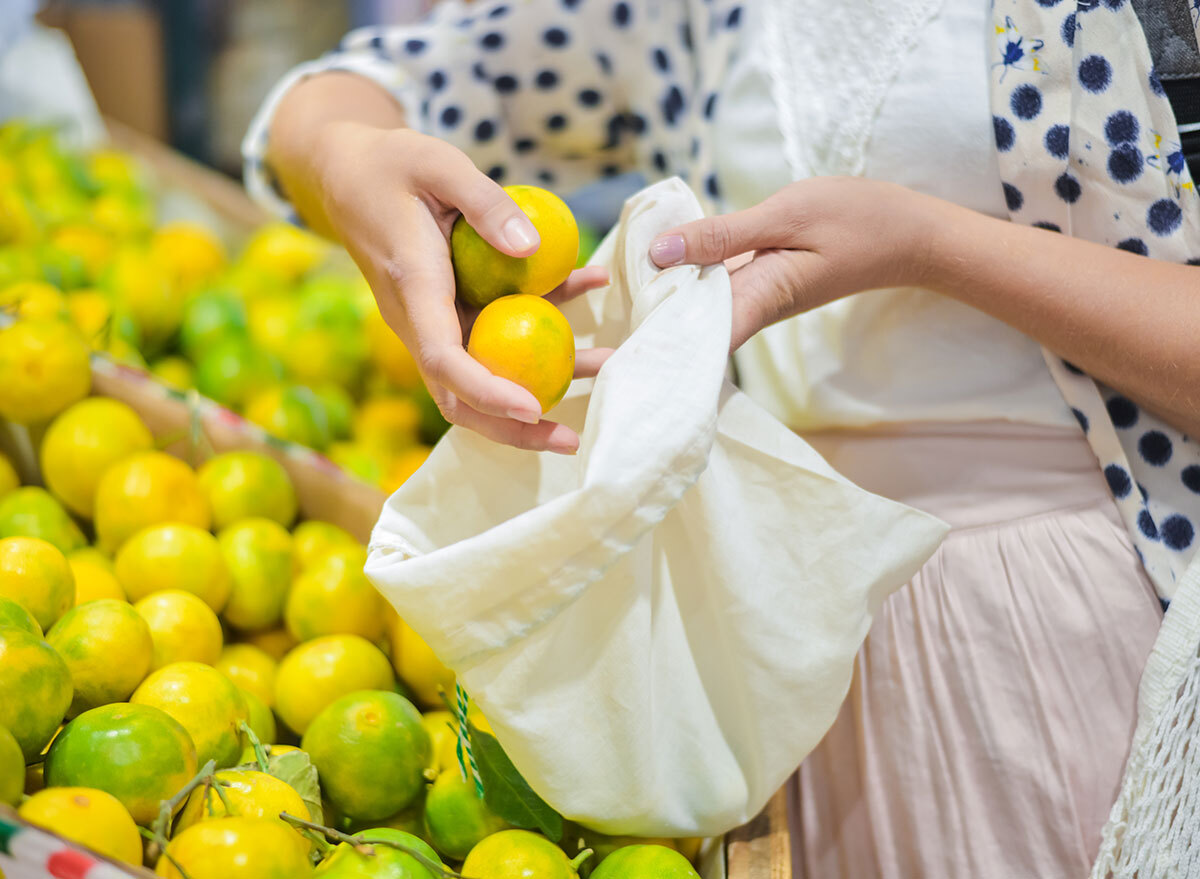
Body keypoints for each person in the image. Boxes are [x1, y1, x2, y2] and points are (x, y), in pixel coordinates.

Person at [244, 0, 1200, 874]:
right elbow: (368, 90)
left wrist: (930, 245)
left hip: (1079, 634)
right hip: (763, 642)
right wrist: (347, 161)